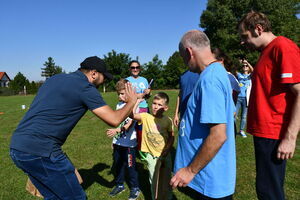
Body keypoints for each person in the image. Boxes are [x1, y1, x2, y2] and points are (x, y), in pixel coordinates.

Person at [9, 56, 138, 200]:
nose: (104, 81)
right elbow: (114, 119)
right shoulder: (85, 87)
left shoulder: (55, 79)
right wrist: (132, 101)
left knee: (54, 197)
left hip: (17, 148)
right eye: (104, 77)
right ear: (94, 73)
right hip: (42, 150)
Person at [238, 11, 300, 200]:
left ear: (258, 29)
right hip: (263, 132)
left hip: (273, 133)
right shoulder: (266, 52)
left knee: (269, 192)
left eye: (244, 36)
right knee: (266, 189)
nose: (242, 42)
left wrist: (290, 138)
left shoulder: (282, 46)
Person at [170, 30, 236, 200]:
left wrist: (190, 170)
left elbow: (218, 135)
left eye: (183, 58)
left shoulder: (210, 79)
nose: (185, 63)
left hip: (209, 179)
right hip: (208, 176)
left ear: (189, 52)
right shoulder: (214, 72)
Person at [132, 92, 174, 200]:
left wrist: (167, 149)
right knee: (154, 181)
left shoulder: (168, 121)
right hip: (151, 156)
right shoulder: (145, 117)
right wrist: (137, 102)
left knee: (166, 179)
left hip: (165, 155)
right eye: (154, 103)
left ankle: (168, 197)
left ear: (165, 108)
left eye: (159, 105)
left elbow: (171, 137)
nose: (155, 106)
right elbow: (131, 115)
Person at [106, 79, 140, 200]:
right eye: (118, 94)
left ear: (129, 92)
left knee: (131, 167)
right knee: (118, 165)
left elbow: (129, 124)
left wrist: (116, 131)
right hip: (118, 142)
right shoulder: (119, 105)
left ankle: (135, 188)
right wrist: (114, 140)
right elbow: (118, 122)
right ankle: (120, 185)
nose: (120, 96)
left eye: (122, 93)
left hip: (129, 144)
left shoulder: (135, 105)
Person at [126, 60, 151, 157]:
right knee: (131, 130)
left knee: (144, 131)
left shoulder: (144, 80)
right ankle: (131, 150)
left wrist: (148, 93)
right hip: (131, 108)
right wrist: (139, 95)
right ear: (130, 69)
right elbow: (127, 96)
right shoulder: (127, 80)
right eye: (133, 67)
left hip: (144, 107)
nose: (135, 69)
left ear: (140, 69)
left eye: (137, 67)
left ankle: (143, 150)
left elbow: (147, 96)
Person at [235, 58, 253, 138]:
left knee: (244, 116)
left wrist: (247, 62)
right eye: (244, 66)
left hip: (246, 99)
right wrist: (239, 64)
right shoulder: (239, 75)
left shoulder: (250, 76)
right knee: (234, 114)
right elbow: (233, 70)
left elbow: (253, 70)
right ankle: (233, 130)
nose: (245, 67)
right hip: (238, 97)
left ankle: (241, 131)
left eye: (246, 66)